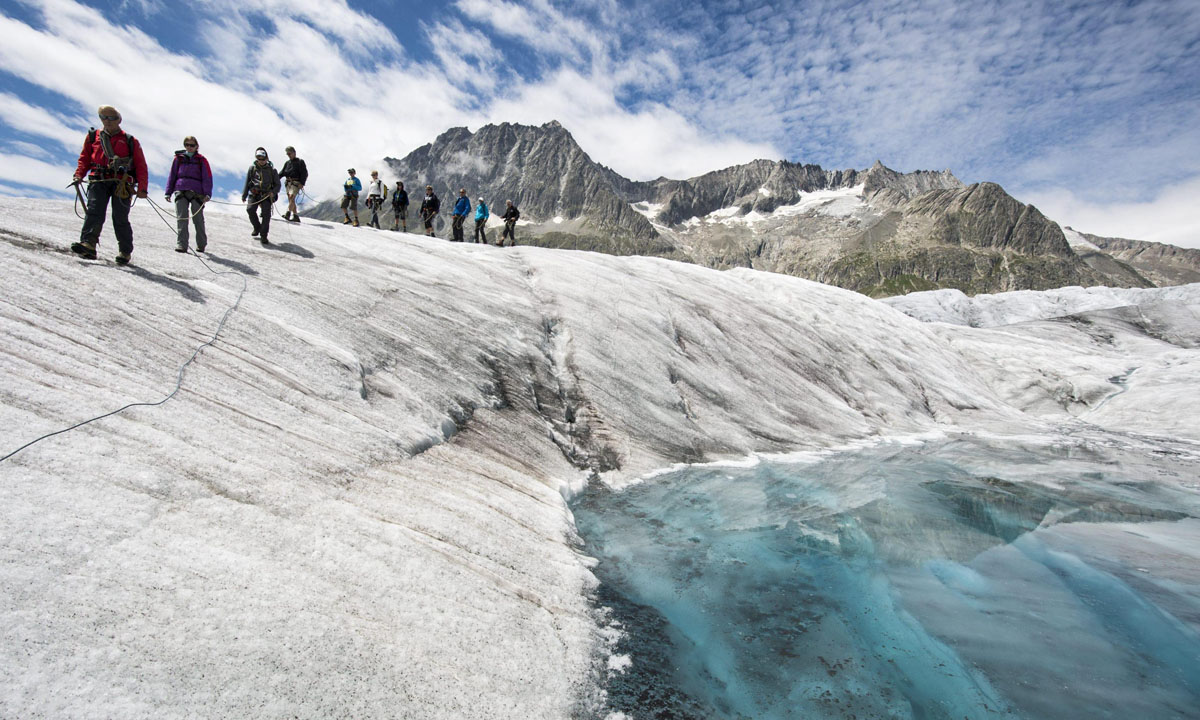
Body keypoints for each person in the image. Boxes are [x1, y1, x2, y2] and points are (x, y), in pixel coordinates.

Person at [70, 105, 148, 264]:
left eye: (112, 118)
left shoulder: (130, 140)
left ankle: (125, 251)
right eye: (103, 117)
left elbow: (141, 165)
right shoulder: (93, 137)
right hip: (98, 179)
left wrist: (142, 188)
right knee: (94, 211)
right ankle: (88, 244)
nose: (107, 121)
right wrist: (79, 174)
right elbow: (85, 158)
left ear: (119, 120)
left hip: (122, 183)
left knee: (120, 217)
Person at [164, 135, 213, 253]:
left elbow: (207, 177)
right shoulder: (178, 159)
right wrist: (168, 192)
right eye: (187, 145)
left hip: (197, 193)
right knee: (182, 218)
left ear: (196, 146)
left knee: (198, 219)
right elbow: (172, 175)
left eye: (192, 145)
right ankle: (182, 244)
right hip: (181, 190)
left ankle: (201, 244)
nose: (189, 147)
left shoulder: (202, 160)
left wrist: (207, 193)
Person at [241, 147, 279, 245]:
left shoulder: (272, 171)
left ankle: (263, 235)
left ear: (267, 158)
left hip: (266, 195)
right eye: (259, 159)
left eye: (263, 159)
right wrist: (244, 195)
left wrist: (273, 192)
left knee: (266, 215)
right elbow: (247, 182)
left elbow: (278, 185)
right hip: (254, 193)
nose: (261, 161)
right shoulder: (252, 169)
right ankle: (257, 227)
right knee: (250, 209)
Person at [280, 146, 307, 223]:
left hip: (296, 183)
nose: (289, 155)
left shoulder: (300, 162)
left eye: (290, 153)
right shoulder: (287, 163)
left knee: (291, 197)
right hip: (288, 183)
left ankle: (288, 213)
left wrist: (302, 183)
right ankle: (295, 216)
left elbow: (304, 173)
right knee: (291, 199)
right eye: (287, 154)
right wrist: (275, 179)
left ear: (294, 153)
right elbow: (282, 172)